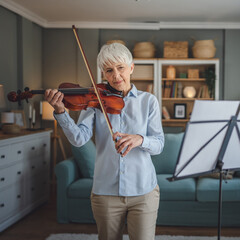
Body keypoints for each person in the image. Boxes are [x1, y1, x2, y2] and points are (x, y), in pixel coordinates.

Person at [45, 43, 164, 240]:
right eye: (109, 70)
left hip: (143, 192)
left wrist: (140, 139)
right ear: (103, 73)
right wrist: (60, 112)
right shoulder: (94, 101)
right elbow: (79, 138)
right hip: (105, 192)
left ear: (131, 67)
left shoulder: (148, 101)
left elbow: (159, 144)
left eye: (121, 68)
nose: (116, 75)